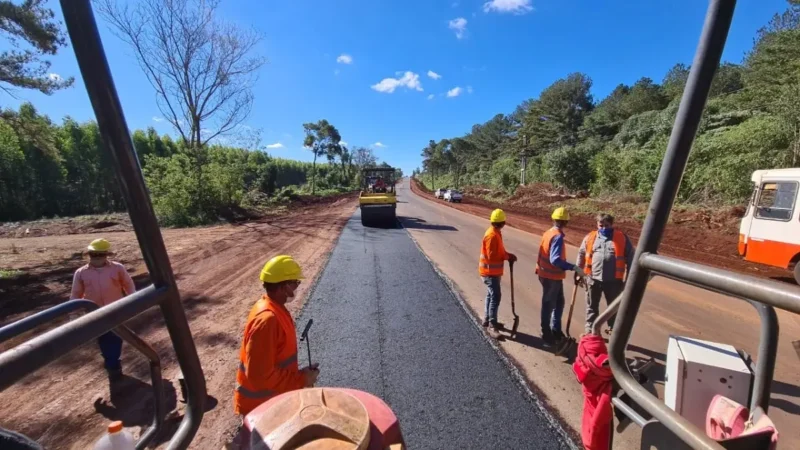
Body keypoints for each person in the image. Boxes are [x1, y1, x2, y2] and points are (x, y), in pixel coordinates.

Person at [234, 255, 320, 417]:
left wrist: (300, 374)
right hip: (262, 409)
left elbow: (273, 362)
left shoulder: (275, 308)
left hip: (272, 399)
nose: (296, 287)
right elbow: (259, 377)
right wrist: (301, 380)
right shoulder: (267, 320)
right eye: (295, 283)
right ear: (283, 286)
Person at [70, 238, 136, 381]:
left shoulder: (117, 268)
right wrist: (73, 313)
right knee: (103, 338)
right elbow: (76, 293)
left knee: (116, 337)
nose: (97, 257)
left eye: (101, 254)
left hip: (116, 310)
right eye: (94, 254)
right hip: (95, 312)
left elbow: (128, 284)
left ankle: (112, 363)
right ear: (89, 254)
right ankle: (111, 362)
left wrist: (134, 302)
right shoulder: (81, 273)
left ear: (106, 255)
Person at [576, 213, 635, 335]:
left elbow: (631, 260)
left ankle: (613, 329)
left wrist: (628, 281)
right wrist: (578, 272)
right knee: (591, 306)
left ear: (612, 225)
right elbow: (581, 254)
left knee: (613, 308)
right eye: (601, 225)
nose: (603, 228)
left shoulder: (621, 238)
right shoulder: (590, 237)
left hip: (613, 282)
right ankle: (590, 330)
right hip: (592, 279)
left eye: (606, 225)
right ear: (597, 225)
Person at [535, 207, 586, 345]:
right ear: (566, 222)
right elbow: (555, 260)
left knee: (559, 303)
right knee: (549, 304)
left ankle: (555, 329)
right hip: (551, 276)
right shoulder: (557, 236)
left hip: (547, 274)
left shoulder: (549, 232)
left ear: (554, 219)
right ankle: (546, 333)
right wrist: (573, 267)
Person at [479, 209, 517, 332]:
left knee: (491, 295)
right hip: (489, 273)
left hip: (492, 272)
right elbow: (492, 255)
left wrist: (508, 255)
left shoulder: (496, 233)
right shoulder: (492, 235)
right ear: (503, 222)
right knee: (495, 296)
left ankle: (487, 318)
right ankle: (492, 324)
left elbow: (500, 251)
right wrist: (506, 257)